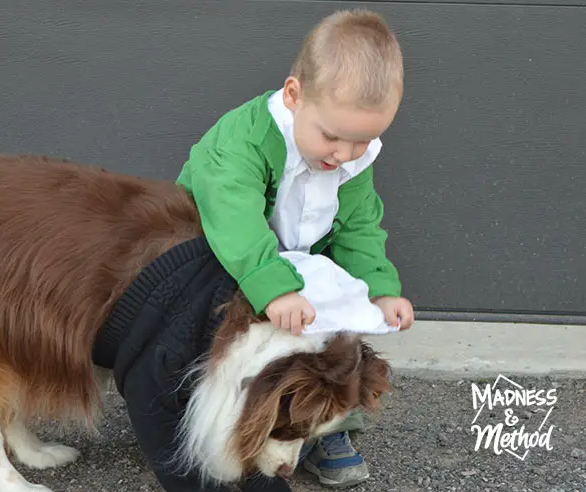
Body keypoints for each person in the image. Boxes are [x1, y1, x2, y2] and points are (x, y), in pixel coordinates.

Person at [175, 8, 414, 489]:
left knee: (339, 335)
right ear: (293, 95)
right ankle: (203, 421)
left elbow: (359, 227)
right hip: (222, 258)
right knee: (207, 343)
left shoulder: (349, 157)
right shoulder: (244, 139)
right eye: (331, 136)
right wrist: (272, 287)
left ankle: (325, 425)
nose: (342, 155)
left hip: (300, 265)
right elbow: (233, 215)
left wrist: (379, 290)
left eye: (362, 141)